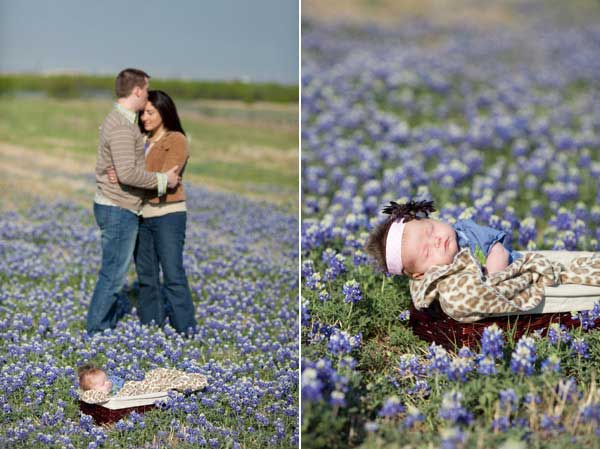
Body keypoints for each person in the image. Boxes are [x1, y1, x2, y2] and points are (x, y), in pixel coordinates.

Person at [87, 68, 181, 336]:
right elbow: (127, 173)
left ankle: (100, 327)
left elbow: (123, 166)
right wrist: (164, 180)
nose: (148, 95)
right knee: (114, 275)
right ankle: (96, 330)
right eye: (147, 89)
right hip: (117, 208)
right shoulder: (119, 125)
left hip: (120, 205)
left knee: (114, 272)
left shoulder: (123, 122)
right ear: (138, 90)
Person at [107, 90, 197, 335]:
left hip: (169, 213)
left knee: (172, 273)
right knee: (146, 276)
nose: (144, 118)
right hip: (141, 215)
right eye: (142, 113)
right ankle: (151, 328)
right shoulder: (139, 140)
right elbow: (131, 174)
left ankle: (185, 329)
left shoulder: (177, 139)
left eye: (150, 112)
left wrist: (131, 177)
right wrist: (130, 176)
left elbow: (169, 177)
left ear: (164, 112)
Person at [365, 200, 522, 279]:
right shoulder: (437, 281)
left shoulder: (469, 233)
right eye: (427, 252)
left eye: (431, 230)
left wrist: (490, 283)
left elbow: (499, 252)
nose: (436, 241)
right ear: (421, 275)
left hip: (517, 273)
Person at [77, 364, 207, 403]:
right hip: (137, 392)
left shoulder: (108, 384)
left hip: (134, 386)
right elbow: (89, 397)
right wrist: (103, 392)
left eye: (106, 380)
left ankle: (179, 377)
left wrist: (105, 386)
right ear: (92, 390)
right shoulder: (92, 395)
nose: (108, 383)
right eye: (102, 384)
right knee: (161, 387)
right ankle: (185, 382)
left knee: (156, 375)